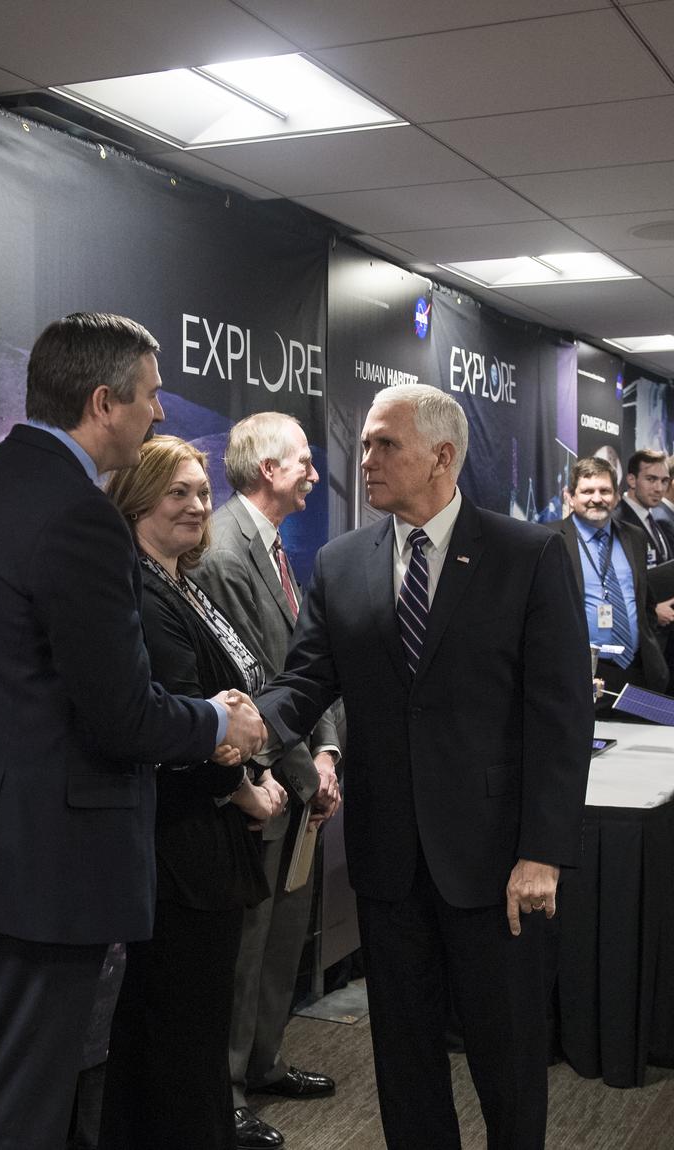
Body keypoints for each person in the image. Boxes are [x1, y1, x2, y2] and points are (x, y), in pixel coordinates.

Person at [0, 312, 267, 1150]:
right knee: (22, 1110)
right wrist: (213, 722)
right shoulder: (81, 516)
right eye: (152, 396)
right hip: (50, 868)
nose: (160, 413)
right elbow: (121, 711)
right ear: (103, 402)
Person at [252, 384, 593, 1150]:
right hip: (389, 863)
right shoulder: (343, 564)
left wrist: (542, 852)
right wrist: (240, 729)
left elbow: (561, 717)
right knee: (404, 1064)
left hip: (498, 865)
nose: (364, 460)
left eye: (383, 445)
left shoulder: (528, 555)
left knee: (506, 1064)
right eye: (365, 443)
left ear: (442, 456)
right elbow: (305, 682)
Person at [97, 435, 285, 1150]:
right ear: (138, 498)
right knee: (173, 1036)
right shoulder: (144, 592)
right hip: (177, 850)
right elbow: (177, 720)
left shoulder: (186, 584)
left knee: (192, 1032)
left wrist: (242, 742)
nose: (197, 506)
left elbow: (236, 703)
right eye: (178, 492)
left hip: (209, 849)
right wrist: (240, 781)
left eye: (202, 493)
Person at [198, 412, 341, 1149]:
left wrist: (328, 756)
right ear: (267, 470)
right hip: (254, 787)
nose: (317, 474)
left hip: (296, 778)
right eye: (305, 463)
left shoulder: (276, 546)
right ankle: (222, 1092)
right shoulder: (221, 552)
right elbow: (246, 683)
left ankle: (262, 1062)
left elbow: (306, 667)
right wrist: (300, 772)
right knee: (244, 948)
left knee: (283, 937)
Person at [554, 456, 669, 709]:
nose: (597, 498)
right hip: (581, 675)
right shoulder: (548, 539)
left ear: (616, 496)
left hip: (637, 672)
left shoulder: (634, 536)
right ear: (569, 496)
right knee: (590, 746)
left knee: (639, 743)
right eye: (587, 491)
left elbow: (644, 604)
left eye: (605, 490)